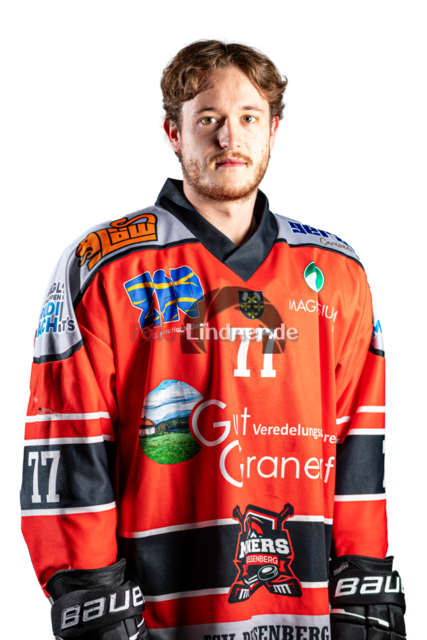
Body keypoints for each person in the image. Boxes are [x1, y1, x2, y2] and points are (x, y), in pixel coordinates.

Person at [19, 35, 407, 639]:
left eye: (248, 118)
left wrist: (365, 572)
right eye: (209, 119)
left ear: (273, 131)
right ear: (172, 132)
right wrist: (90, 589)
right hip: (155, 610)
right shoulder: (101, 263)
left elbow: (361, 434)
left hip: (304, 606)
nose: (230, 138)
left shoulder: (338, 269)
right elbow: (69, 437)